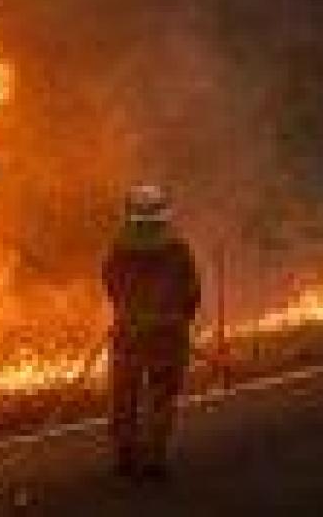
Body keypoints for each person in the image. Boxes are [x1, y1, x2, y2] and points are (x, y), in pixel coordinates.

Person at [102, 184, 201, 481]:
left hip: (127, 334)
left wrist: (126, 311)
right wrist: (181, 318)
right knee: (161, 397)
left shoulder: (118, 249)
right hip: (167, 335)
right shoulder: (178, 249)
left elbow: (110, 284)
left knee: (124, 396)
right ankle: (154, 458)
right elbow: (192, 291)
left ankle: (125, 455)